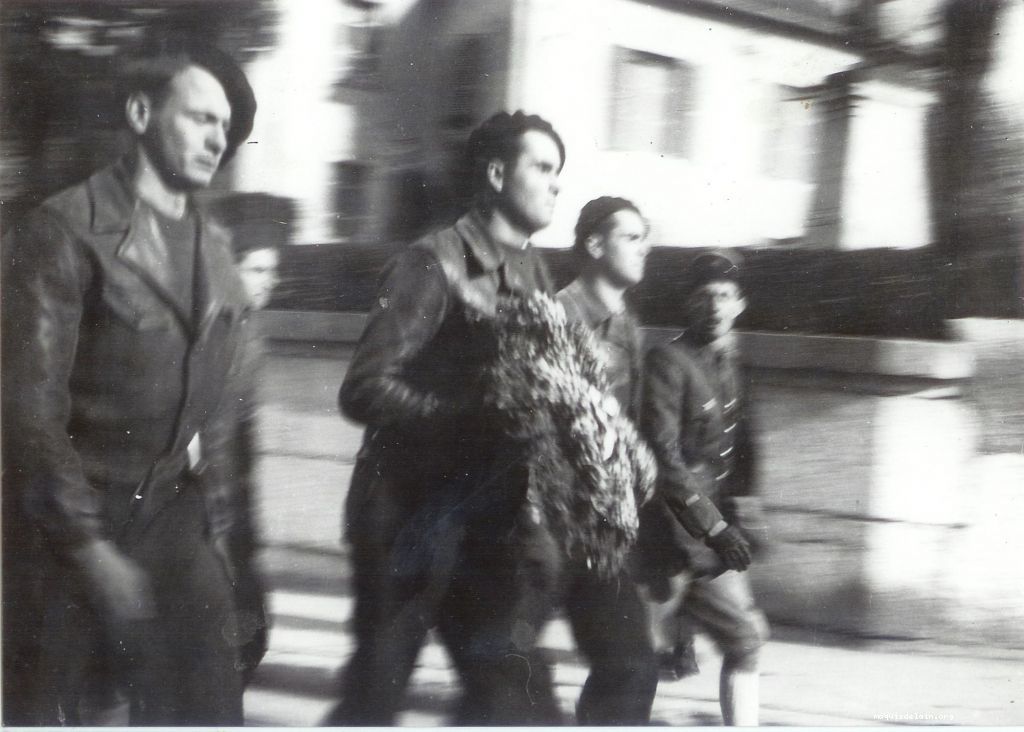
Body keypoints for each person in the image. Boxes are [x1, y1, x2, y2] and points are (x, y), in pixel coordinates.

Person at [1, 37, 257, 725]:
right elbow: (28, 409)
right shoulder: (64, 231)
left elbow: (224, 414)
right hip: (65, 526)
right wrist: (87, 547)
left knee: (210, 710)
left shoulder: (220, 252)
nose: (217, 139)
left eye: (225, 130)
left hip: (173, 516)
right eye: (202, 118)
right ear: (142, 113)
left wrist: (224, 543)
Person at [327, 110, 566, 725]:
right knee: (375, 699)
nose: (555, 183)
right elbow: (364, 388)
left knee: (512, 698)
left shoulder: (535, 272)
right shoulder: (431, 263)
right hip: (403, 517)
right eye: (541, 167)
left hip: (485, 523)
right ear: (494, 174)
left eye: (558, 172)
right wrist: (464, 417)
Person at [636, 250, 770, 726]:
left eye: (725, 295)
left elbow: (742, 450)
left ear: (740, 304)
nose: (715, 305)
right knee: (635, 665)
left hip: (708, 543)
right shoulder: (667, 361)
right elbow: (663, 458)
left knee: (745, 641)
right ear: (687, 304)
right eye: (704, 296)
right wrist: (717, 530)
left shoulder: (730, 365)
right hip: (666, 540)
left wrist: (747, 518)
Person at [553, 196, 659, 724]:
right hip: (542, 528)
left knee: (633, 667)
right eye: (632, 237)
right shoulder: (556, 316)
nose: (646, 249)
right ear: (594, 245)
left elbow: (632, 433)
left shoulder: (628, 329)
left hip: (600, 533)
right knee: (501, 679)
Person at [223, 221, 283, 685]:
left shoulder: (250, 334)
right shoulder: (218, 331)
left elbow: (244, 434)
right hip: (207, 492)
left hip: (236, 489)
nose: (269, 280)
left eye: (272, 270)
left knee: (251, 625)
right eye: (257, 269)